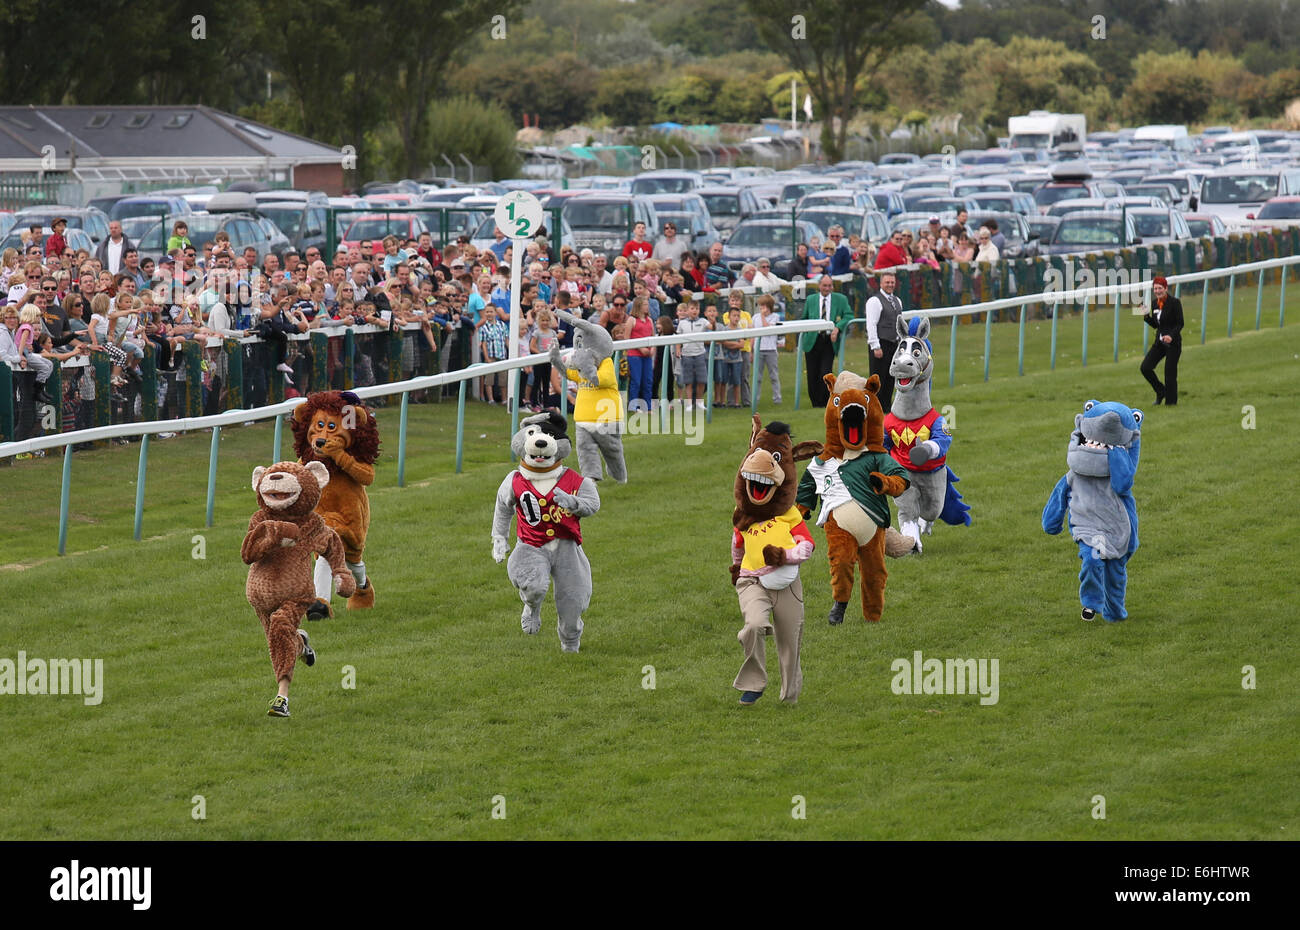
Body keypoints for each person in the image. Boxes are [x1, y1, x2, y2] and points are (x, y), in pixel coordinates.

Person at [799, 275, 853, 407]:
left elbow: (848, 315)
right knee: (812, 373)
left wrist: (837, 328)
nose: (827, 288)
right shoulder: (811, 299)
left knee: (825, 372)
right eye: (824, 286)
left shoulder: (840, 299)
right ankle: (815, 403)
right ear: (819, 285)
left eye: (830, 286)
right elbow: (804, 318)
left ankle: (824, 402)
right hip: (812, 340)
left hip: (829, 341)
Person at [864, 271, 903, 413]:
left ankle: (887, 407)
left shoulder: (897, 301)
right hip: (881, 343)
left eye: (892, 282)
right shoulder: (874, 301)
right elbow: (871, 324)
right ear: (881, 283)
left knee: (890, 377)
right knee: (878, 378)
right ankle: (875, 408)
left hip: (894, 344)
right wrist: (875, 345)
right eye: (887, 282)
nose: (890, 285)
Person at [1140, 276, 1183, 406]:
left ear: (1166, 288)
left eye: (1160, 288)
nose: (1157, 291)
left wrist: (1171, 336)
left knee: (1169, 373)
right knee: (1145, 367)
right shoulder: (1154, 303)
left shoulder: (1175, 303)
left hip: (1173, 344)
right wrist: (1146, 316)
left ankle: (1171, 403)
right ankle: (1160, 391)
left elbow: (1180, 323)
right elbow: (1156, 324)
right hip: (1159, 343)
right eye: (1155, 289)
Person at [675, 299, 710, 409]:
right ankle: (689, 403)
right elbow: (677, 337)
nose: (695, 311)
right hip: (686, 354)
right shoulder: (682, 323)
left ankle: (699, 402)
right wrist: (677, 349)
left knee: (702, 379)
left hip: (700, 353)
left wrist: (712, 322)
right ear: (688, 310)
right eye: (692, 308)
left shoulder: (703, 321)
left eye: (697, 309)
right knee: (688, 381)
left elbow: (711, 327)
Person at [623, 296, 655, 413]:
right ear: (639, 306)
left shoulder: (650, 320)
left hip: (647, 355)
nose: (647, 307)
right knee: (636, 381)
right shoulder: (632, 320)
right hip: (634, 354)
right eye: (645, 305)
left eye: (647, 305)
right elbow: (627, 338)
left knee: (648, 380)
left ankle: (648, 406)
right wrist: (640, 347)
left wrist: (651, 349)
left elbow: (652, 336)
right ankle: (633, 406)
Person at [753, 294, 783, 405]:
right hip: (758, 350)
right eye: (760, 307)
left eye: (764, 306)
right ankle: (755, 399)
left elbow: (767, 328)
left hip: (770, 350)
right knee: (757, 377)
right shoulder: (755, 317)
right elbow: (753, 332)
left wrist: (762, 316)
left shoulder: (775, 317)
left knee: (774, 376)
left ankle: (777, 398)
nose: (762, 309)